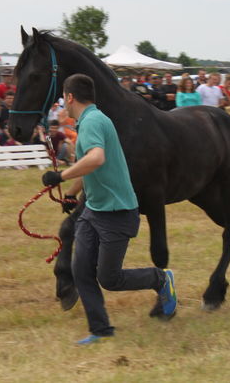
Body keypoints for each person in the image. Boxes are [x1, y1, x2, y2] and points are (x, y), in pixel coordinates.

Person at [40, 74, 176, 345]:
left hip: (116, 212)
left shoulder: (91, 121)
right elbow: (89, 165)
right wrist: (70, 194)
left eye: (62, 98)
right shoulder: (92, 119)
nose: (62, 104)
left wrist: (61, 176)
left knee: (109, 278)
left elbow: (96, 158)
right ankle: (100, 330)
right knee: (81, 270)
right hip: (94, 209)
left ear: (69, 97)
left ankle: (161, 279)